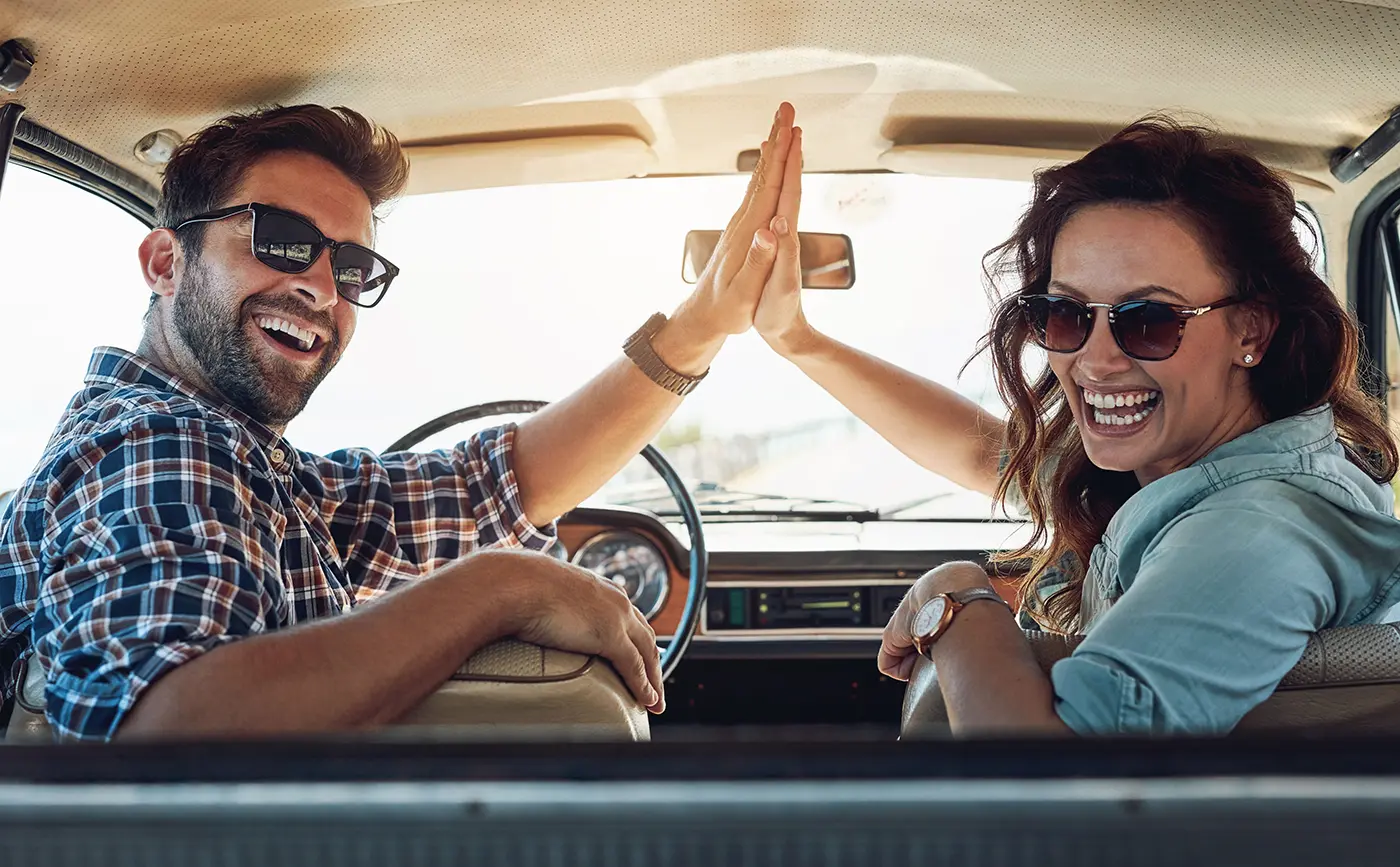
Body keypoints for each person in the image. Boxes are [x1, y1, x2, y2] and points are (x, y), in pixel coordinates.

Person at [0, 101, 805, 741]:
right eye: (281, 240)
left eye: (353, 267)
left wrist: (703, 323)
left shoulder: (249, 464)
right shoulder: (155, 443)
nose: (322, 287)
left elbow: (496, 483)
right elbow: (170, 733)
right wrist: (504, 585)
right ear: (166, 263)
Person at [751, 116, 1400, 734]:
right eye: (1065, 315)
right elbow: (989, 452)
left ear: (1250, 330)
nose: (1093, 358)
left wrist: (954, 597)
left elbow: (1048, 782)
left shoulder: (1253, 530)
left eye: (1149, 320)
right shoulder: (1207, 464)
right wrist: (796, 338)